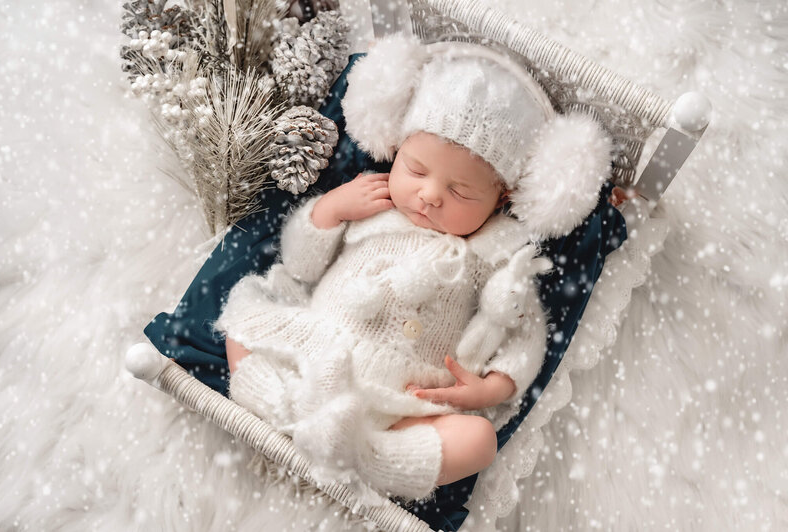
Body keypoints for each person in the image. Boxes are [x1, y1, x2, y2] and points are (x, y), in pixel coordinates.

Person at [216, 35, 613, 503]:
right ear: (397, 148)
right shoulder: (374, 204)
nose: (429, 195)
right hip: (320, 350)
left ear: (500, 201)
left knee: (478, 443)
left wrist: (491, 388)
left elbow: (525, 334)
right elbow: (301, 265)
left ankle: (368, 457)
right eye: (417, 169)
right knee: (244, 316)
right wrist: (330, 210)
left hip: (408, 397)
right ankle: (285, 406)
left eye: (461, 192)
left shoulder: (499, 257)